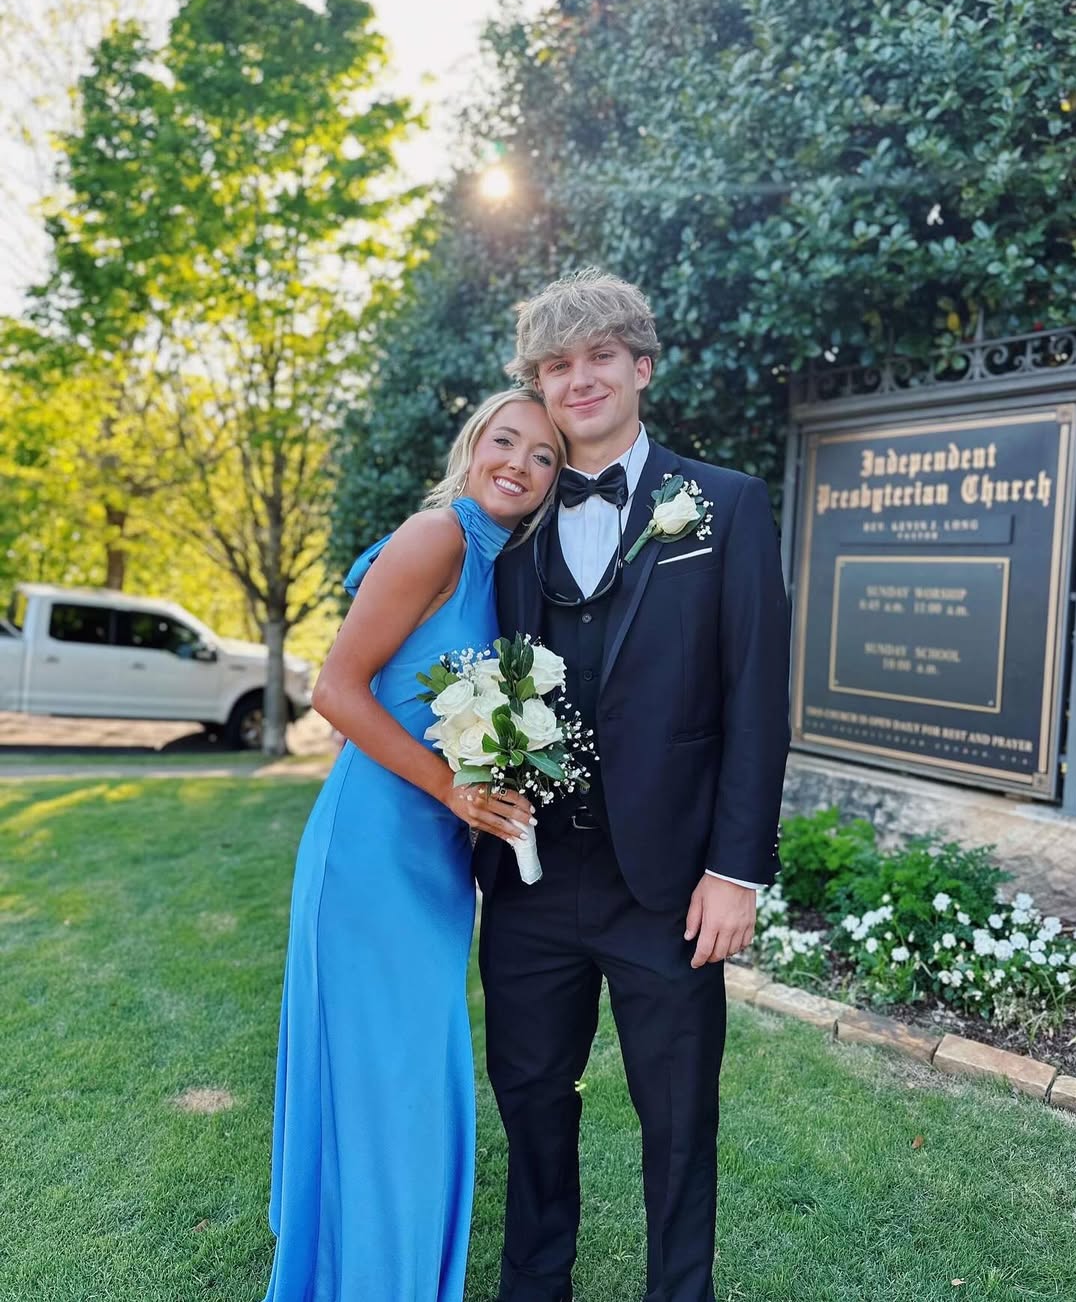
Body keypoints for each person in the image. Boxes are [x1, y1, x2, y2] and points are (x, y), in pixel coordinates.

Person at [474, 270, 791, 1302]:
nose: (578, 380)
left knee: (679, 1119)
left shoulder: (727, 506)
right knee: (530, 1102)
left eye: (600, 356)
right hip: (529, 878)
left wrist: (735, 873)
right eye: (556, 365)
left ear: (641, 367)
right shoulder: (508, 517)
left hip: (669, 886)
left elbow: (756, 702)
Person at [262, 388, 564, 1302]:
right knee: (387, 1082)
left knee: (410, 1078)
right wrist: (451, 789)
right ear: (473, 446)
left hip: (434, 863)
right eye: (505, 440)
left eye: (544, 456)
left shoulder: (504, 567)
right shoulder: (438, 536)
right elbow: (336, 690)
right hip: (369, 852)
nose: (519, 463)